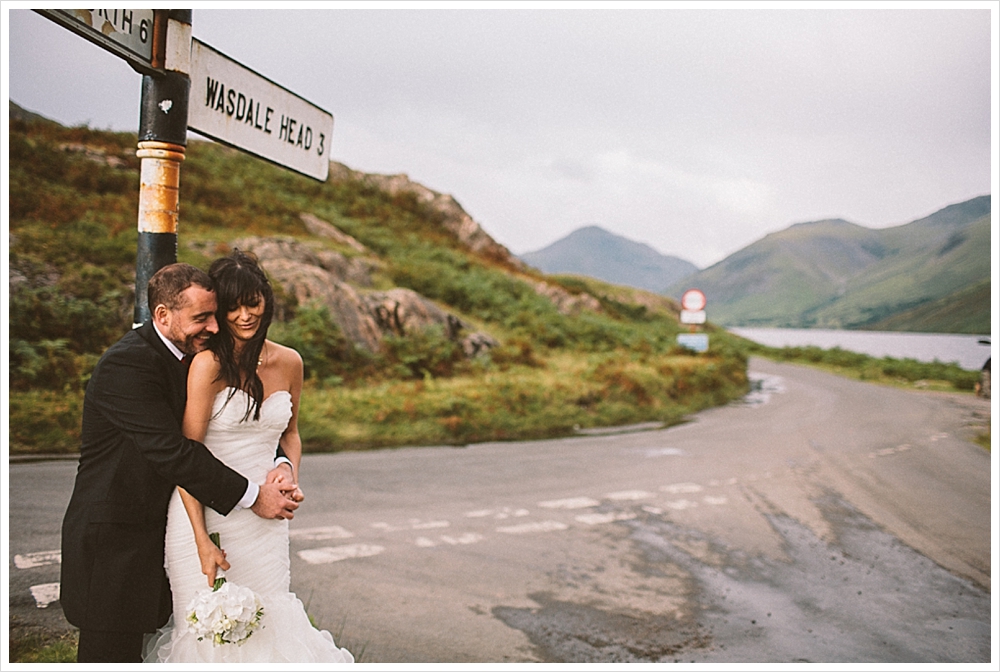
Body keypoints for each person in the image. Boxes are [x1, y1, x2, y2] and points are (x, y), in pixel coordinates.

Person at [60, 263, 301, 663]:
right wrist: (253, 496)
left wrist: (281, 462)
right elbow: (174, 452)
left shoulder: (193, 355)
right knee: (109, 656)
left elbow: (249, 429)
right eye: (201, 318)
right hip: (116, 539)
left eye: (213, 314)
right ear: (162, 315)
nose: (212, 326)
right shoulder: (128, 364)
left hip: (166, 526)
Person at [144, 250, 354, 663]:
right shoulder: (207, 365)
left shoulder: (289, 361)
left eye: (253, 302)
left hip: (266, 522)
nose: (244, 315)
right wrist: (202, 540)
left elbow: (290, 432)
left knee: (272, 622)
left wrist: (286, 471)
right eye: (233, 306)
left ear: (266, 300)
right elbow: (188, 455)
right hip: (204, 517)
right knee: (208, 633)